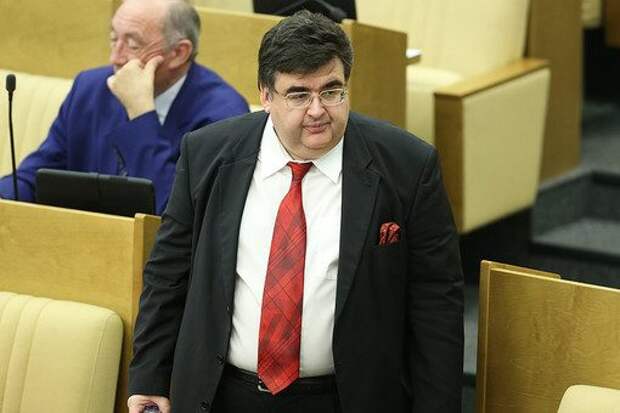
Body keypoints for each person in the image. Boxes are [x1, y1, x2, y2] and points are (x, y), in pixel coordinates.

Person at [128, 10, 463, 413]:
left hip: (345, 399)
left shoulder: (408, 167)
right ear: (265, 95)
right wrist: (150, 376)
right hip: (221, 395)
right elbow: (168, 275)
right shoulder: (207, 153)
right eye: (299, 95)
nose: (318, 110)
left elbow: (436, 304)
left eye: (332, 91)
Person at [0, 0, 248, 214]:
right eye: (113, 39)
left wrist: (141, 114)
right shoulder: (90, 89)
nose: (115, 58)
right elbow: (35, 177)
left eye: (133, 45)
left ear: (178, 53)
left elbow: (174, 213)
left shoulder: (223, 115)